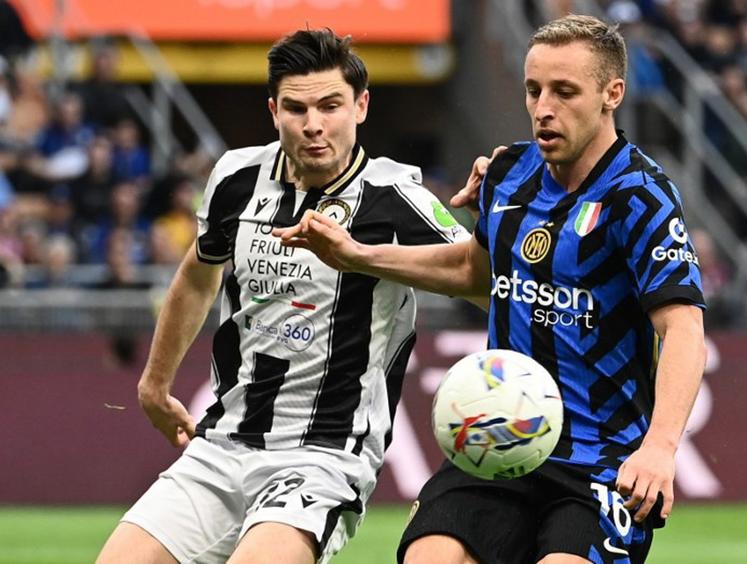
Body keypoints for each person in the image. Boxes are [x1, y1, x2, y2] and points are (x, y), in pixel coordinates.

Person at [280, 15, 707, 564]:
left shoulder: (641, 197)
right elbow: (473, 271)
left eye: (564, 91)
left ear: (611, 94)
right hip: (496, 443)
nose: (543, 108)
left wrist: (661, 449)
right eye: (533, 90)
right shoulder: (508, 173)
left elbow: (684, 329)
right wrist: (358, 256)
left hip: (600, 462)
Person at [96, 29, 469, 564]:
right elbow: (198, 275)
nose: (313, 124)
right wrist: (155, 382)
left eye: (330, 105)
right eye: (296, 107)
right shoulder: (236, 177)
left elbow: (479, 276)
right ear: (274, 110)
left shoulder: (396, 196)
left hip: (324, 456)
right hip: (222, 445)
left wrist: (362, 256)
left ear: (361, 106)